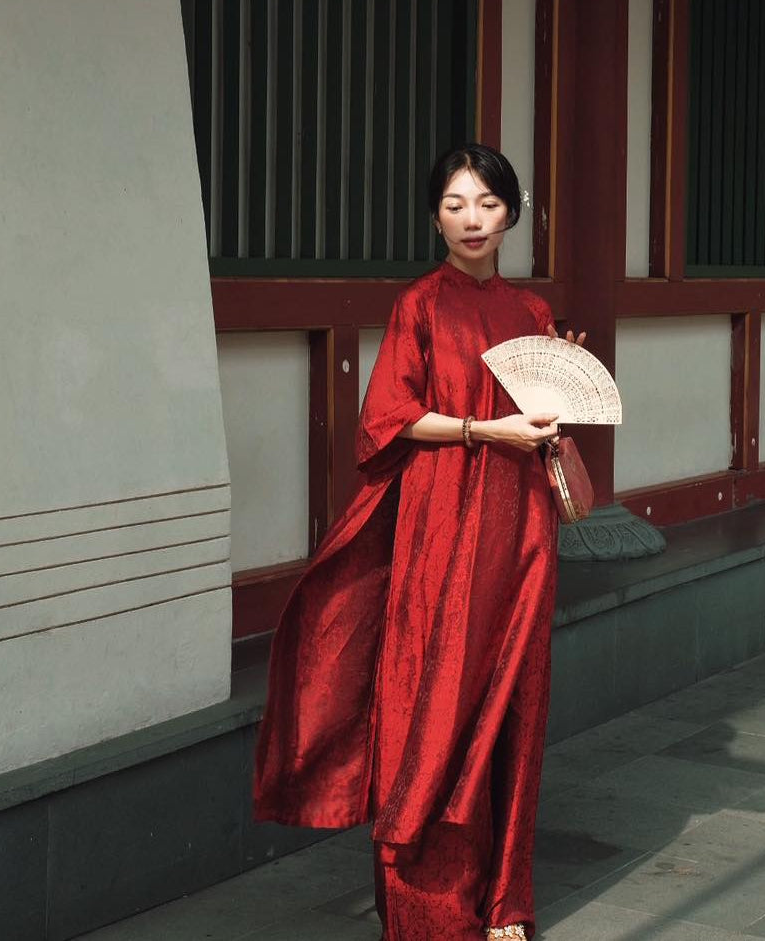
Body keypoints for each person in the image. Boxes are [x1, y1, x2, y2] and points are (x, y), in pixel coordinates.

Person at [253, 143, 586, 940]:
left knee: (513, 703)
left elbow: (545, 425)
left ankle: (502, 896)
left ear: (513, 211)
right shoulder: (419, 306)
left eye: (486, 204)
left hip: (521, 526)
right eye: (453, 205)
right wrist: (484, 428)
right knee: (436, 697)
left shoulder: (533, 314)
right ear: (433, 213)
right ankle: (426, 901)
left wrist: (548, 413)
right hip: (440, 520)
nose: (471, 220)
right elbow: (385, 420)